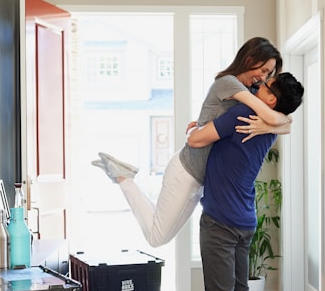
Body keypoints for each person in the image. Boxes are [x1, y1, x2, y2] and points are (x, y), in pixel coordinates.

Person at [92, 37, 293, 247]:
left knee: (161, 233)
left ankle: (123, 176)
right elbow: (273, 115)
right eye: (263, 71)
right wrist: (271, 123)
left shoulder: (251, 91)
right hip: (186, 171)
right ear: (250, 58)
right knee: (156, 238)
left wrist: (269, 126)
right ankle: (124, 177)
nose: (263, 78)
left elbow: (287, 123)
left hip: (199, 180)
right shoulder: (228, 83)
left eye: (268, 74)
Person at [186, 72, 304, 291]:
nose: (257, 85)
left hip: (220, 221)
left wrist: (194, 131)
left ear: (271, 99)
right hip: (244, 219)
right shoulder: (274, 125)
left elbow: (197, 139)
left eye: (264, 85)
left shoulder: (245, 112)